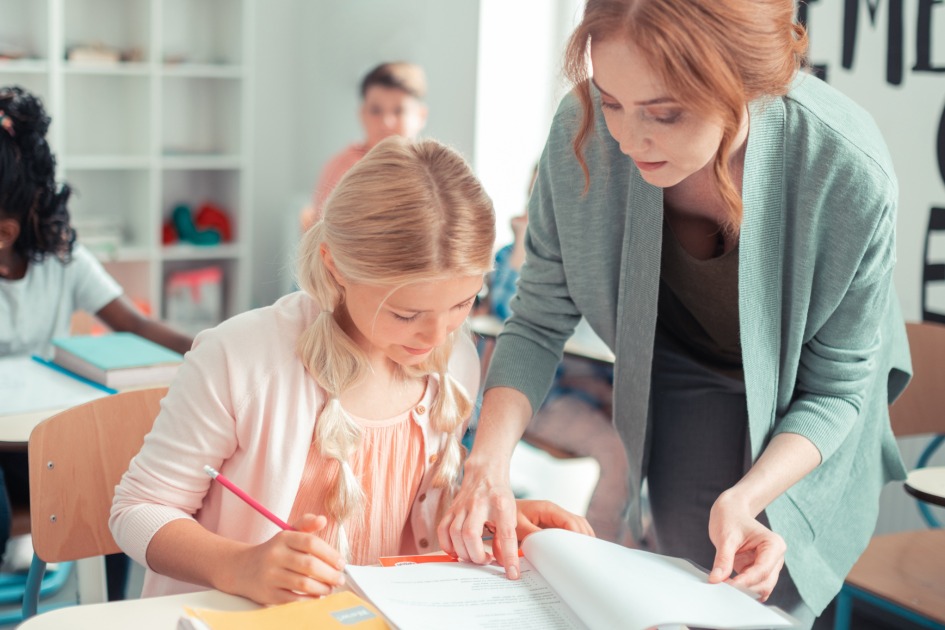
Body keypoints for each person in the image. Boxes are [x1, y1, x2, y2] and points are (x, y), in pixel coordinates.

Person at [438, 1, 911, 626]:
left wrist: (750, 495)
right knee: (698, 586)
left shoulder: (845, 168)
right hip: (685, 368)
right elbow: (538, 320)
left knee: (784, 590)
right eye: (610, 101)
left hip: (811, 398)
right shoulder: (582, 134)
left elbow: (836, 389)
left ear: (742, 84)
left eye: (665, 113)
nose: (629, 138)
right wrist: (487, 459)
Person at [110, 136, 592, 604]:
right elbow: (136, 511)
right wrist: (240, 565)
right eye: (406, 313)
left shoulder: (454, 360)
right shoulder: (240, 359)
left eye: (462, 304)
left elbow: (407, 514)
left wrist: (484, 518)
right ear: (335, 265)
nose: (437, 335)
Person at [0, 85, 193, 599]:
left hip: (42, 445)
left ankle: (103, 608)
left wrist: (217, 348)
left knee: (111, 485)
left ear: (5, 232)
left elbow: (134, 322)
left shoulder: (61, 258)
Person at [480, 173, 631, 545]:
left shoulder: (590, 258)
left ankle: (633, 535)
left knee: (650, 438)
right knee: (619, 450)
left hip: (594, 385)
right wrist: (521, 244)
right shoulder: (512, 255)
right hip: (546, 400)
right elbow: (507, 312)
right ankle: (602, 544)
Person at [299, 62, 428, 232]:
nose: (386, 121)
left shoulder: (430, 169)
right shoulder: (346, 169)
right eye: (375, 110)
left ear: (421, 116)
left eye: (399, 111)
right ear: (362, 114)